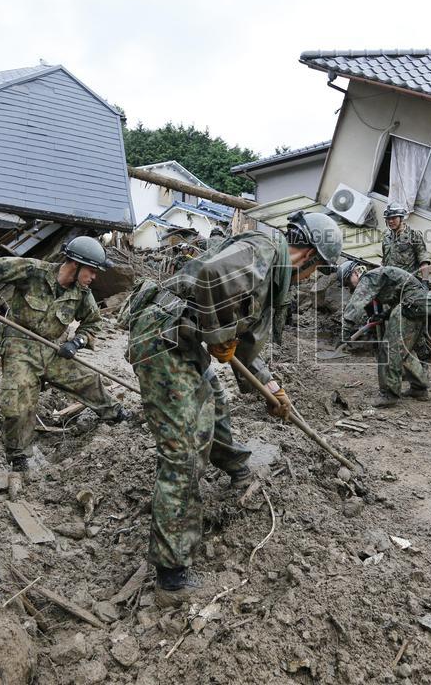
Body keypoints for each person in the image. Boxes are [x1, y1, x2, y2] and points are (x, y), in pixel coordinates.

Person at [125, 210, 342, 605]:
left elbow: (242, 345)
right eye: (319, 270)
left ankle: (237, 467)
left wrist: (271, 389)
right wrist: (218, 333)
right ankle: (171, 576)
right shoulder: (260, 252)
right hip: (163, 344)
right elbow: (211, 276)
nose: (313, 279)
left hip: (183, 341)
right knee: (185, 450)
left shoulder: (268, 266)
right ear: (309, 255)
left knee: (215, 402)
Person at [0, 236, 131, 498]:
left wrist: (76, 342)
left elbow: (93, 323)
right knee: (18, 402)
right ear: (76, 265)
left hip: (52, 349)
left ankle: (114, 414)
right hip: (19, 346)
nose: (94, 278)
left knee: (88, 379)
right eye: (91, 271)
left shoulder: (81, 294)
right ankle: (19, 456)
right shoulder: (33, 271)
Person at [339, 260, 431, 408]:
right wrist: (384, 315)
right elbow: (397, 296)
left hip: (412, 304)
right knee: (404, 349)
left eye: (347, 282)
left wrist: (346, 330)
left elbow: (356, 303)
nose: (349, 287)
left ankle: (390, 394)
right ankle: (419, 388)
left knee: (390, 348)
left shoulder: (368, 278)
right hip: (420, 304)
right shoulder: (378, 276)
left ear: (355, 272)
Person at [381, 202, 431, 280]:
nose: (390, 221)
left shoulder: (414, 235)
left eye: (394, 218)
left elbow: (423, 261)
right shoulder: (386, 235)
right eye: (388, 219)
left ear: (401, 218)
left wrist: (425, 281)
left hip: (405, 283)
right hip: (387, 280)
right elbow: (384, 260)